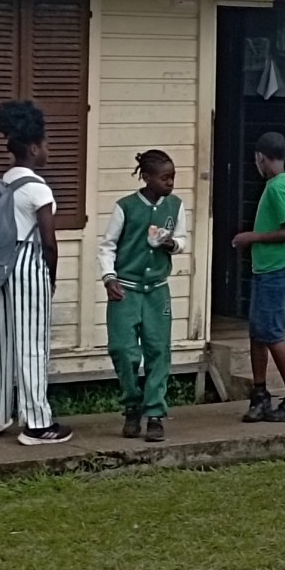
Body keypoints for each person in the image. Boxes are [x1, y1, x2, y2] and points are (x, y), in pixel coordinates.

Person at [0, 100, 73, 446]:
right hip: (28, 263)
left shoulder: (3, 183)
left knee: (2, 341)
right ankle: (37, 424)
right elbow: (49, 242)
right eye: (45, 144)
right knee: (33, 343)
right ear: (33, 148)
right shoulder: (38, 188)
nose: (48, 150)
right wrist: (51, 277)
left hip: (1, 264)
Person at [98, 149, 189, 443]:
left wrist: (171, 244)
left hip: (157, 290)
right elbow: (108, 246)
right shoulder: (125, 207)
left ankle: (155, 414)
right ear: (147, 177)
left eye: (173, 177)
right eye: (164, 177)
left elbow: (182, 240)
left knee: (158, 350)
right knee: (122, 349)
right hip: (125, 288)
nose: (170, 182)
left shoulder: (175, 206)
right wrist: (109, 277)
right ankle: (132, 404)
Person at [232, 131, 285, 423]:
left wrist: (251, 237)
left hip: (279, 269)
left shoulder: (277, 188)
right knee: (258, 333)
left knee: (272, 334)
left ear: (260, 157)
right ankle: (260, 394)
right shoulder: (279, 183)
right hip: (265, 269)